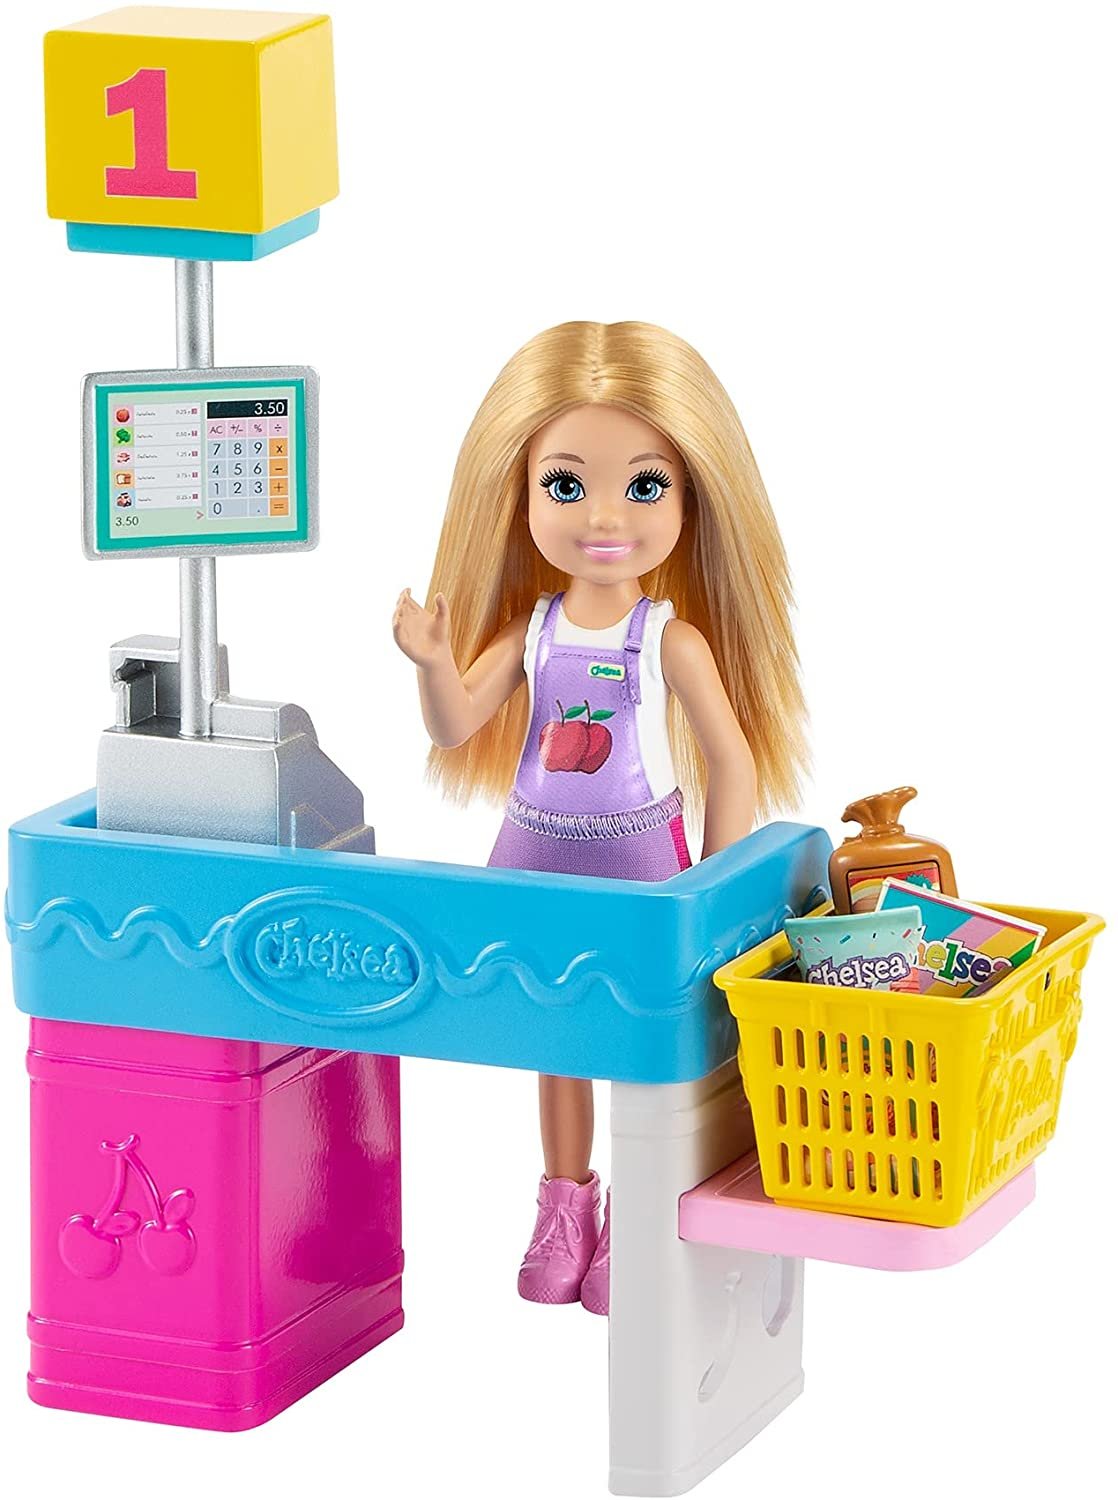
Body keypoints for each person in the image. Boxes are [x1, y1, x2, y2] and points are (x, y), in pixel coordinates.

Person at [393, 321, 806, 1313]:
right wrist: (433, 665)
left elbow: (731, 759)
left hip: (640, 864)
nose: (605, 516)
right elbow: (456, 725)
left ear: (692, 500)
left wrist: (716, 890)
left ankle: (639, 1201)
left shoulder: (667, 638)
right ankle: (562, 1204)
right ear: (520, 497)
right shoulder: (532, 630)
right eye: (566, 485)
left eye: (645, 485)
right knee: (554, 1039)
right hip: (533, 853)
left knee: (639, 1041)